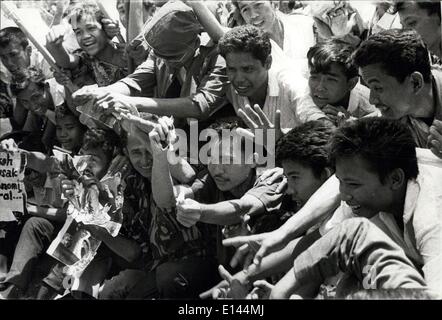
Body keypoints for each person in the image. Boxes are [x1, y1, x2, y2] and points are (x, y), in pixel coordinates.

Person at [270, 118, 442, 299]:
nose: (343, 195)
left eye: (352, 184)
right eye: (340, 182)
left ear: (395, 179)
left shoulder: (432, 211)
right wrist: (249, 276)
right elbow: (321, 247)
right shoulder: (365, 197)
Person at [95, 118, 219, 299]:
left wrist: (144, 136)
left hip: (198, 263)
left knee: (165, 278)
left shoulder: (180, 165)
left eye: (149, 150)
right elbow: (136, 251)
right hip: (156, 267)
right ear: (126, 153)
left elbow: (184, 178)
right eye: (136, 152)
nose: (145, 160)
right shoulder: (132, 182)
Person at [73, 1, 229, 127]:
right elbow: (135, 80)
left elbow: (199, 105)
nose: (166, 61)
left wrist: (133, 102)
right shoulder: (159, 55)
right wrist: (104, 92)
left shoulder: (217, 56)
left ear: (192, 41)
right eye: (160, 54)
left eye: (172, 54)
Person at [352, 29, 442, 159]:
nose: (372, 100)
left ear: (415, 83)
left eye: (378, 88)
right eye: (369, 87)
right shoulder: (397, 113)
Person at [218, 25, 309, 135]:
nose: (238, 79)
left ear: (268, 63)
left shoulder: (292, 85)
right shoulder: (229, 89)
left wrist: (282, 138)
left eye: (247, 69)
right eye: (231, 69)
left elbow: (323, 128)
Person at [297, 38, 379, 126]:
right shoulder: (306, 93)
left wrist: (352, 125)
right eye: (314, 77)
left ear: (351, 84)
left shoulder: (371, 106)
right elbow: (306, 109)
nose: (319, 87)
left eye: (331, 80)